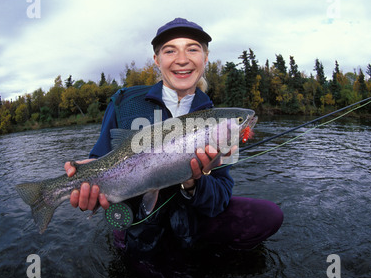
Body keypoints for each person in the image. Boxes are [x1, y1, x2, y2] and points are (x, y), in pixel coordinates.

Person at [64, 18, 283, 256]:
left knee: (270, 215)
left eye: (192, 49)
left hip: (189, 221)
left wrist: (193, 182)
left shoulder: (217, 122)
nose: (182, 59)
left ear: (205, 58)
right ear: (157, 60)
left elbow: (220, 198)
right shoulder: (124, 103)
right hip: (138, 227)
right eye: (170, 51)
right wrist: (88, 184)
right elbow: (99, 161)